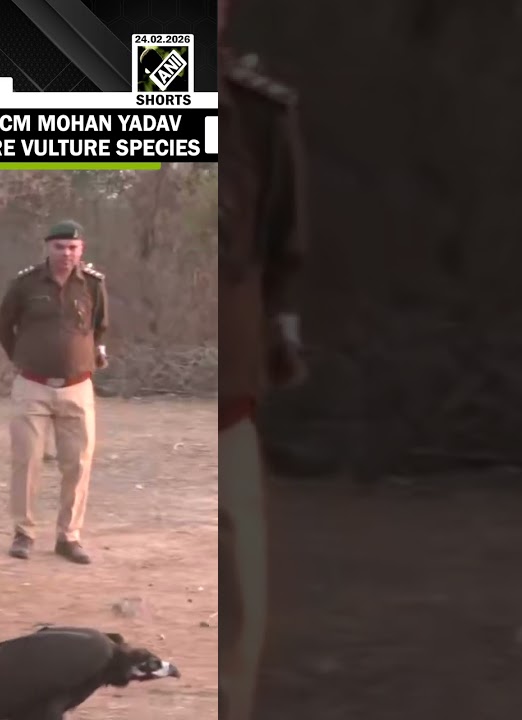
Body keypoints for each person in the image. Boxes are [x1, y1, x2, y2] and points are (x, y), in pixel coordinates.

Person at [221, 45, 308, 719]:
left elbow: (282, 245)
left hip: (226, 404)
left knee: (235, 588)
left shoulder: (253, 115)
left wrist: (281, 328)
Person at [0, 221, 108, 566]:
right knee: (26, 461)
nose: (66, 253)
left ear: (81, 249)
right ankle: (23, 533)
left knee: (78, 464)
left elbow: (100, 325)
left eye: (73, 248)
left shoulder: (93, 285)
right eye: (59, 247)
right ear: (47, 248)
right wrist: (24, 356)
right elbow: (2, 325)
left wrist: (90, 354)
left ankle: (68, 536)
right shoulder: (25, 284)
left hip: (77, 387)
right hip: (32, 386)